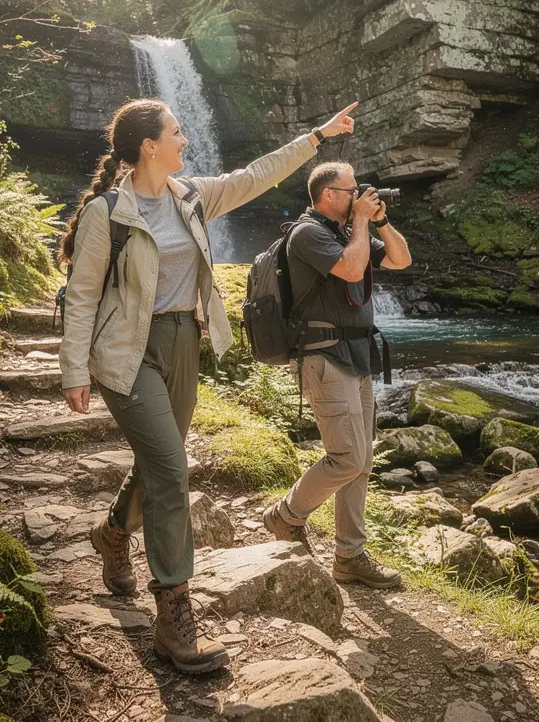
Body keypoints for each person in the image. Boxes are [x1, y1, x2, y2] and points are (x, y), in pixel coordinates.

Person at [57, 97, 359, 675]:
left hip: (181, 343)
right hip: (126, 351)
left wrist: (316, 137)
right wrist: (74, 369)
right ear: (150, 145)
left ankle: (114, 532)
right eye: (176, 133)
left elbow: (255, 175)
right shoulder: (108, 213)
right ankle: (173, 611)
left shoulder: (191, 195)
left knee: (157, 461)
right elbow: (82, 295)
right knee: (172, 469)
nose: (185, 141)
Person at [262, 161, 412, 588]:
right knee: (346, 457)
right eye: (352, 191)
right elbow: (349, 270)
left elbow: (401, 260)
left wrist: (378, 220)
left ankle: (349, 556)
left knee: (361, 463)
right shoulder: (308, 233)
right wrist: (362, 223)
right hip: (326, 356)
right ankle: (285, 515)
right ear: (328, 194)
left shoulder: (350, 232)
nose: (359, 195)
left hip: (358, 355)